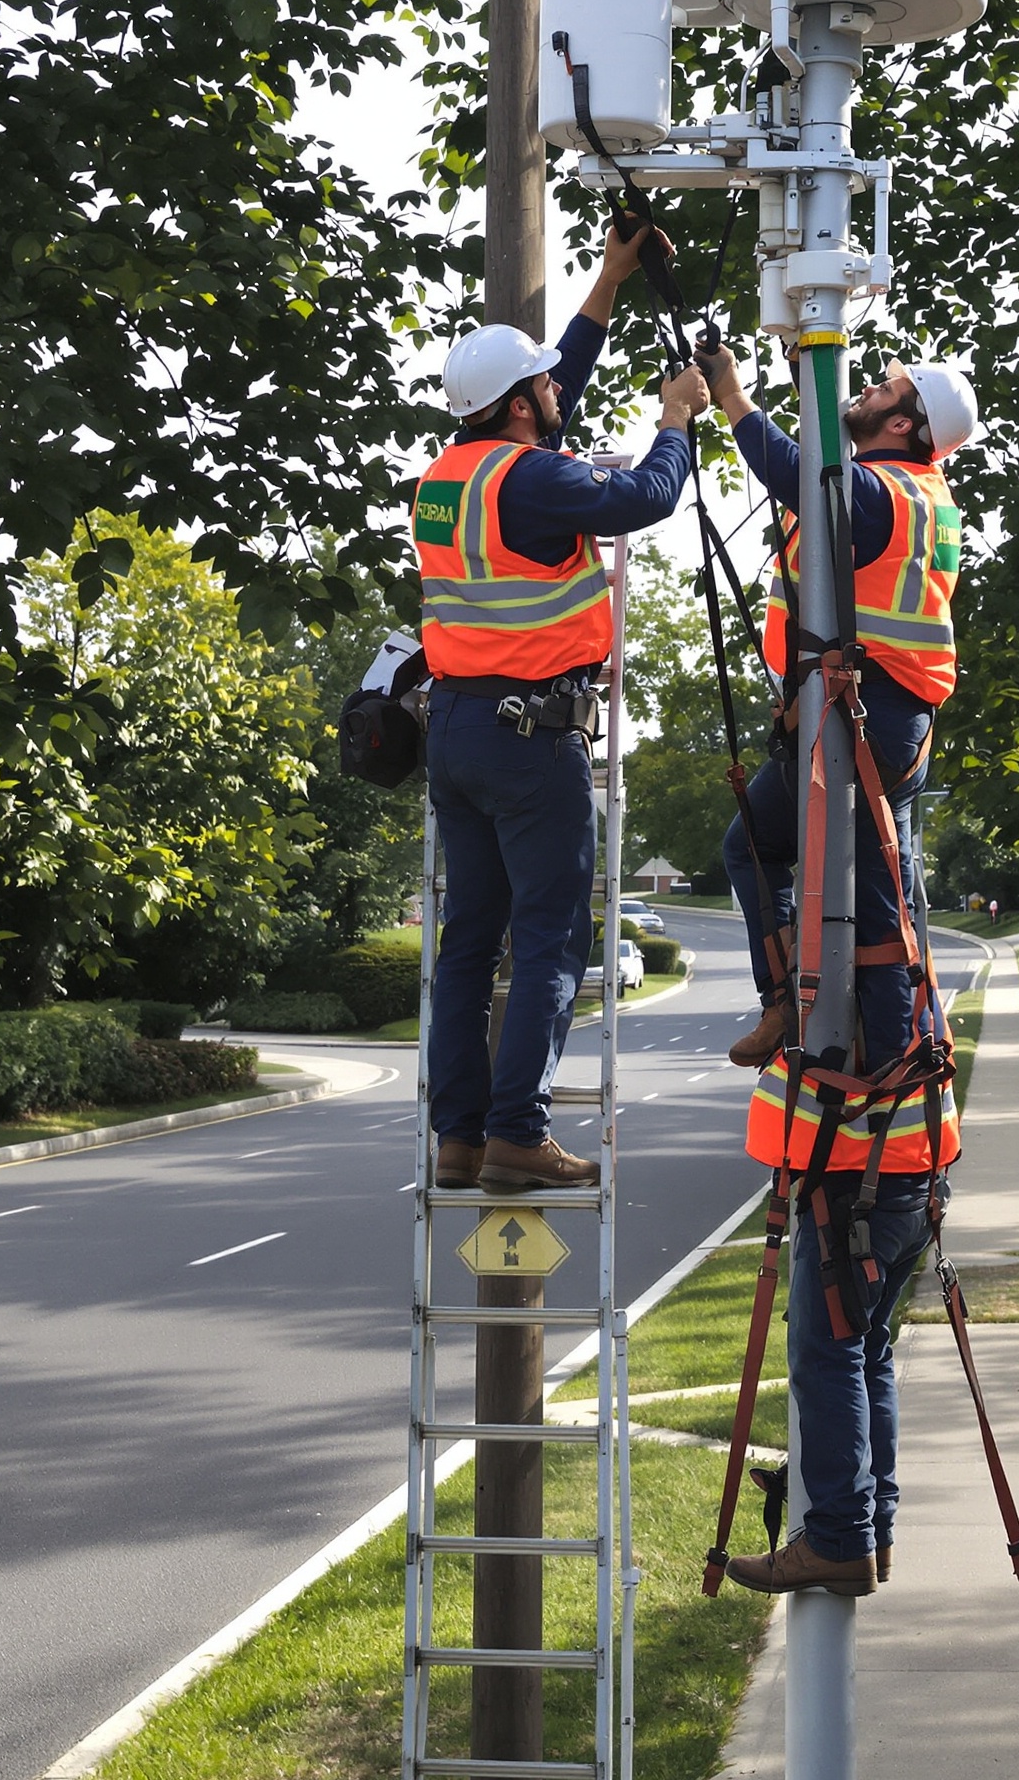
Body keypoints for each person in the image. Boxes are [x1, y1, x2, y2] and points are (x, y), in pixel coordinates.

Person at [702, 345, 978, 1597]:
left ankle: (840, 1533)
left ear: (909, 418)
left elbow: (801, 479)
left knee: (830, 891)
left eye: (879, 388)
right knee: (856, 895)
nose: (860, 388)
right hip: (868, 707)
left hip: (859, 711)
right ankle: (857, 1529)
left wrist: (733, 404)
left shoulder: (879, 487)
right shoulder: (916, 500)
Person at [413, 222, 711, 1195]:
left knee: (468, 942)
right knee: (549, 936)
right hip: (530, 737)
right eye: (541, 383)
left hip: (454, 730)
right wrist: (675, 421)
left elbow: (553, 395)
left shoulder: (453, 477)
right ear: (517, 403)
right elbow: (644, 499)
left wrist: (609, 282)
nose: (558, 389)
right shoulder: (533, 477)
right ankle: (518, 1132)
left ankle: (459, 1136)